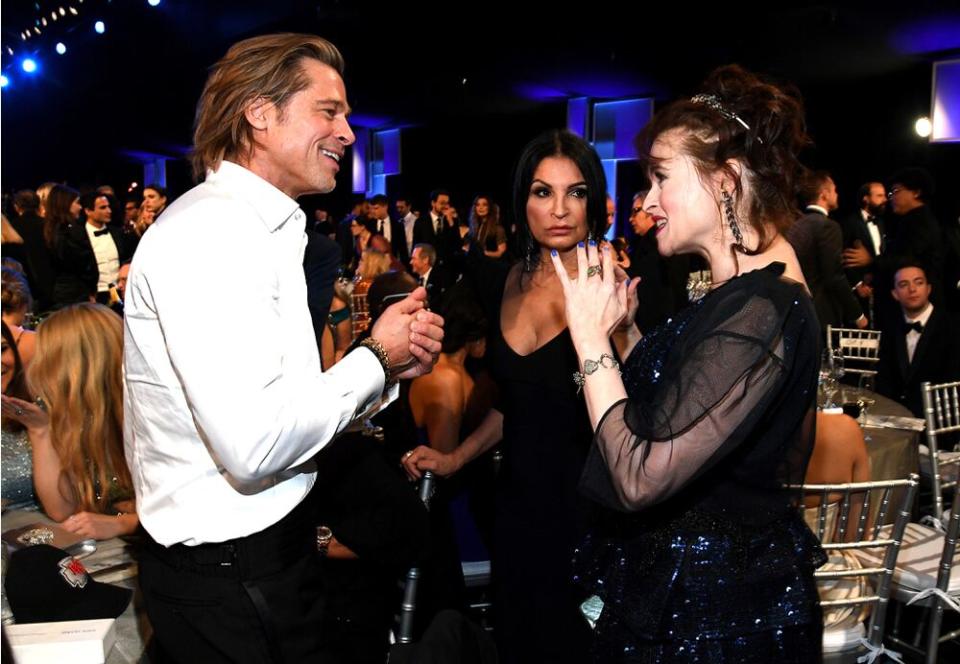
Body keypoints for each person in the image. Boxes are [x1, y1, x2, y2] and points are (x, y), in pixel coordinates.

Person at [122, 33, 443, 663]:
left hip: (257, 564)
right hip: (234, 579)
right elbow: (255, 447)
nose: (348, 132)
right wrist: (373, 360)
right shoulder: (214, 235)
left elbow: (283, 406)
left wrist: (387, 366)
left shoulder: (257, 231)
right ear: (259, 114)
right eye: (329, 111)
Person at [549, 65, 824, 661]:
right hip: (691, 601)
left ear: (725, 181)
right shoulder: (740, 296)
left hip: (714, 623)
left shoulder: (765, 306)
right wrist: (624, 336)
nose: (646, 201)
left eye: (661, 177)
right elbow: (683, 414)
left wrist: (590, 339)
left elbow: (640, 474)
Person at [404, 129, 609, 662]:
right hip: (516, 510)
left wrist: (622, 331)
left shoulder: (608, 286)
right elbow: (516, 403)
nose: (560, 209)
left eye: (576, 192)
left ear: (595, 202)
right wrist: (455, 457)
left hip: (589, 515)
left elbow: (636, 416)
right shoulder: (505, 282)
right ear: (522, 202)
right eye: (543, 192)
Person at [1, 304, 137, 539]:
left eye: (46, 357)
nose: (36, 368)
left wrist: (127, 523)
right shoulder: (71, 415)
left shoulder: (148, 412)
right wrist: (40, 430)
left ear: (82, 365)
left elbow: (198, 504)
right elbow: (61, 510)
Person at [469, 195, 507, 260]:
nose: (480, 207)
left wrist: (483, 253)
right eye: (478, 205)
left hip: (491, 265)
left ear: (489, 208)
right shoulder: (474, 227)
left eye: (484, 205)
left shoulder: (498, 229)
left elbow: (500, 253)